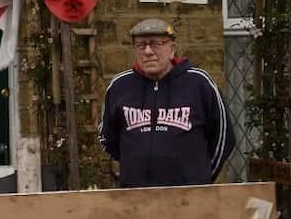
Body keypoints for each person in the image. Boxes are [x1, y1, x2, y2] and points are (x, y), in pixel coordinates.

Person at [98, 18, 235, 187]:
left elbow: (224, 137)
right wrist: (132, 170)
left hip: (190, 197)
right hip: (135, 198)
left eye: (156, 44)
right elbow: (107, 138)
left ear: (172, 49)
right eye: (141, 45)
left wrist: (201, 179)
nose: (148, 51)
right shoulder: (119, 86)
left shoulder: (199, 83)